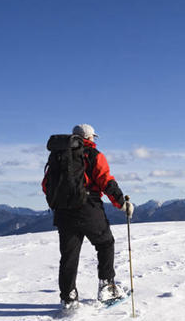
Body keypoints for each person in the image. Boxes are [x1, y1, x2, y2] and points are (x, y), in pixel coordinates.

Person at [48, 124, 135, 310]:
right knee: (105, 243)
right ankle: (107, 288)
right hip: (89, 208)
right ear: (89, 137)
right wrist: (121, 203)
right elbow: (106, 181)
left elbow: (46, 185)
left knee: (69, 255)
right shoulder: (94, 155)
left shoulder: (58, 157)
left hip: (63, 212)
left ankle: (68, 297)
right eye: (93, 137)